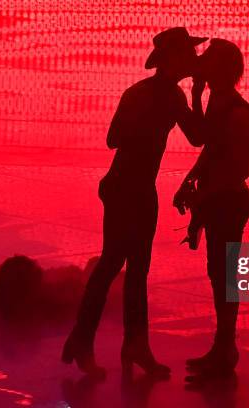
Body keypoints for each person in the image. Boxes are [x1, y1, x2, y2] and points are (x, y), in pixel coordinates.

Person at [62, 27, 208, 378]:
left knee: (124, 267)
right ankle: (104, 343)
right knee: (122, 266)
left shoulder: (152, 94)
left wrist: (190, 97)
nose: (194, 60)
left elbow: (116, 139)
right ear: (174, 60)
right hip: (131, 188)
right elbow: (195, 137)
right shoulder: (162, 96)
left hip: (130, 187)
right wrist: (193, 97)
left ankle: (113, 343)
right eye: (188, 54)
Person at [174, 39, 249, 379]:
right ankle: (222, 347)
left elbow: (237, 169)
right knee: (219, 275)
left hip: (228, 202)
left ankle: (226, 348)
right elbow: (208, 145)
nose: (200, 62)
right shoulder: (219, 100)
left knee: (223, 277)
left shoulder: (236, 110)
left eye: (207, 59)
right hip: (218, 200)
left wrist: (203, 198)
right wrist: (190, 180)